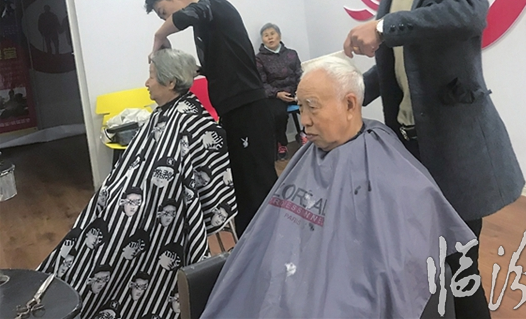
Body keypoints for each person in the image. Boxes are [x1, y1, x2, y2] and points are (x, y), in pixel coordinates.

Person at [343, 0, 524, 319]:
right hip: (408, 149)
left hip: (455, 150)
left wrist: (382, 27)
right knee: (424, 264)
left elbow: (467, 15)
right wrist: (349, 95)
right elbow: (398, 66)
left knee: (461, 266)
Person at [201, 56, 475, 319]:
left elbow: (397, 266)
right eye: (301, 107)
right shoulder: (306, 157)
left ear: (349, 104)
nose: (304, 121)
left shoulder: (390, 170)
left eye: (313, 107)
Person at [38, 49, 236, 318]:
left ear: (170, 82)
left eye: (152, 76)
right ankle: (63, 290)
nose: (147, 82)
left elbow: (192, 179)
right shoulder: (163, 113)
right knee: (90, 229)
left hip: (158, 212)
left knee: (113, 238)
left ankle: (90, 297)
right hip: (131, 198)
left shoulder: (189, 119)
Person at [145, 0, 277, 235]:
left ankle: (274, 241)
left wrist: (160, 36)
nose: (166, 20)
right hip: (231, 111)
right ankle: (249, 247)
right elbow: (222, 65)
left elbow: (187, 15)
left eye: (164, 12)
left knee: (258, 183)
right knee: (242, 185)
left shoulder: (213, 5)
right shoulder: (206, 26)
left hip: (248, 108)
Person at [255, 23, 303, 161]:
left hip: (295, 91)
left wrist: (300, 90)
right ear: (263, 39)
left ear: (279, 36)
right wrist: (277, 94)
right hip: (276, 95)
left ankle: (305, 134)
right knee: (278, 114)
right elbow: (262, 83)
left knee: (313, 104)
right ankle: (281, 143)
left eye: (272, 34)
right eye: (266, 35)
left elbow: (299, 74)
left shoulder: (292, 54)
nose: (270, 37)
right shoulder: (259, 59)